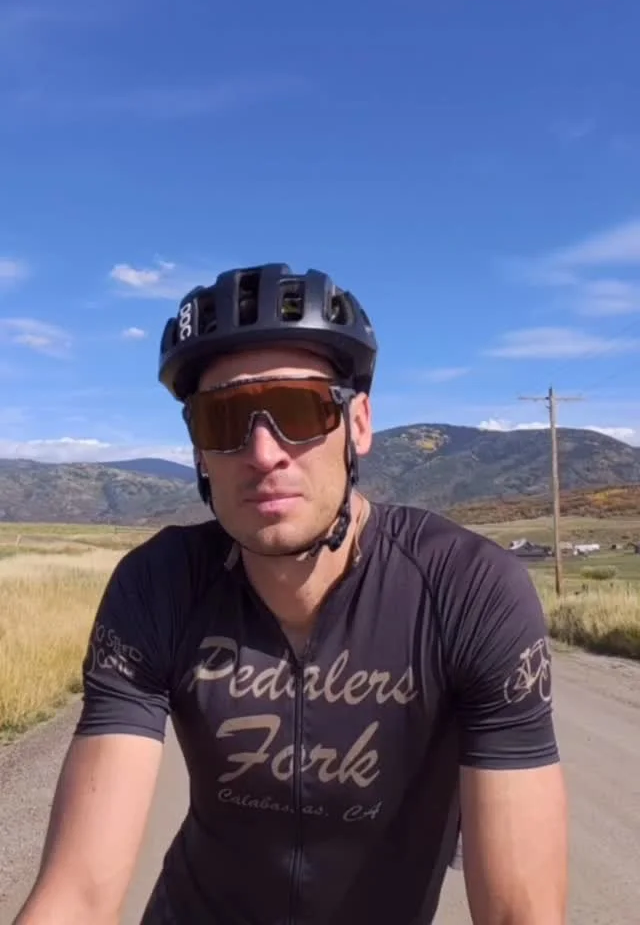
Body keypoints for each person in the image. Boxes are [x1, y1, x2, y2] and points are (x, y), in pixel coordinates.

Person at [14, 263, 568, 925]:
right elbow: (77, 894)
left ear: (358, 423)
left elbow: (519, 913)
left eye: (300, 409)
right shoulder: (158, 586)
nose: (262, 452)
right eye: (223, 419)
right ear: (197, 452)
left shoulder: (469, 591)